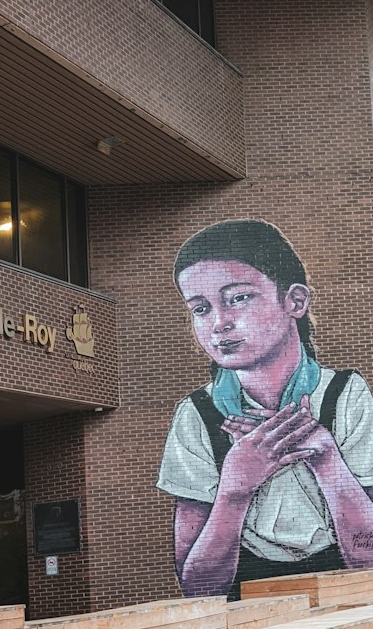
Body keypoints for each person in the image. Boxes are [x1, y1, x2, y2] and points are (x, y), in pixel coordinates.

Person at [157, 219, 373, 598]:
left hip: (353, 602)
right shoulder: (197, 414)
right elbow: (199, 586)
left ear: (295, 301)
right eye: (201, 308)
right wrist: (235, 488)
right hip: (249, 612)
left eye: (238, 297)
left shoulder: (344, 394)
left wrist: (326, 459)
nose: (219, 323)